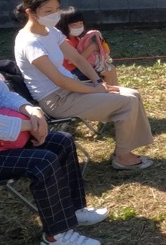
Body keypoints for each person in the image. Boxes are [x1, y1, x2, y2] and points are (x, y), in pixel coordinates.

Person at [13, 0, 154, 170]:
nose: (54, 15)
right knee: (127, 102)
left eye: (57, 9)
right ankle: (123, 157)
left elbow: (78, 58)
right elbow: (59, 81)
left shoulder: (51, 32)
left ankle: (125, 151)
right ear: (30, 12)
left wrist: (97, 81)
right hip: (57, 100)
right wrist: (94, 89)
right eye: (48, 11)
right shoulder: (29, 42)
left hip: (72, 88)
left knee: (133, 94)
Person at [0, 78, 108, 245]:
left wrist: (33, 111)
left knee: (62, 142)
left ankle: (73, 211)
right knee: (44, 162)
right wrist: (31, 125)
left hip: (7, 140)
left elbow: (4, 95)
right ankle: (55, 235)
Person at [56, 6, 119, 86]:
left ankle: (114, 90)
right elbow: (73, 61)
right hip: (73, 71)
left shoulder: (78, 39)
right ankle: (108, 91)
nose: (79, 27)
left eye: (81, 23)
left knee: (111, 68)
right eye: (74, 25)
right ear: (63, 25)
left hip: (82, 68)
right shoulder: (65, 42)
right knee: (107, 71)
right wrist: (92, 47)